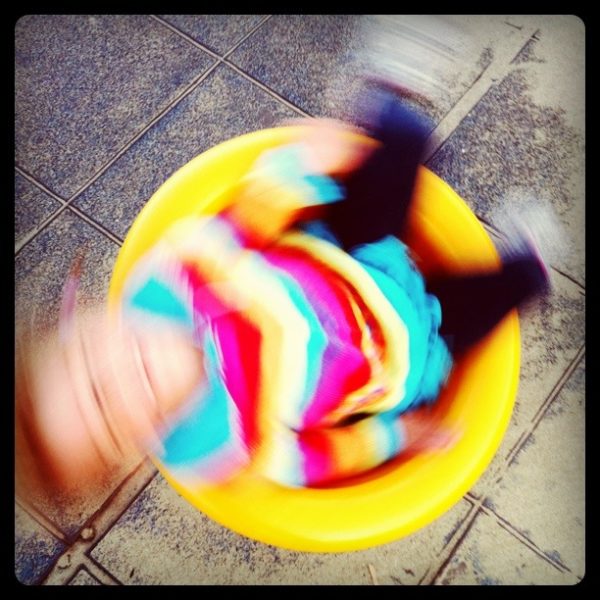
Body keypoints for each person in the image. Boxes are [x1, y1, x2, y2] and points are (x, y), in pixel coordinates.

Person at [15, 84, 550, 496]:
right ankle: (530, 267)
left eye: (86, 351)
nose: (116, 367)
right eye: (106, 407)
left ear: (88, 316)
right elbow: (324, 455)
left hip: (349, 258)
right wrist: (398, 437)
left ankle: (393, 102)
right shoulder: (232, 442)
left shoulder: (173, 281)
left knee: (396, 149)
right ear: (132, 451)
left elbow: (247, 219)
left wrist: (301, 163)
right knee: (480, 308)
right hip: (395, 359)